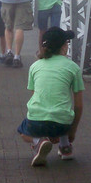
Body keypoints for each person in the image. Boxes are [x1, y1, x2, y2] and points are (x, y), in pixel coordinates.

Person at [16, 27, 84, 166]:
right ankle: (65, 147)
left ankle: (39, 141)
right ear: (64, 47)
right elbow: (79, 105)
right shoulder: (73, 67)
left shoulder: (35, 66)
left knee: (22, 131)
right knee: (62, 111)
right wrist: (72, 131)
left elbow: (37, 98)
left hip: (37, 123)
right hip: (62, 124)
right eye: (67, 43)